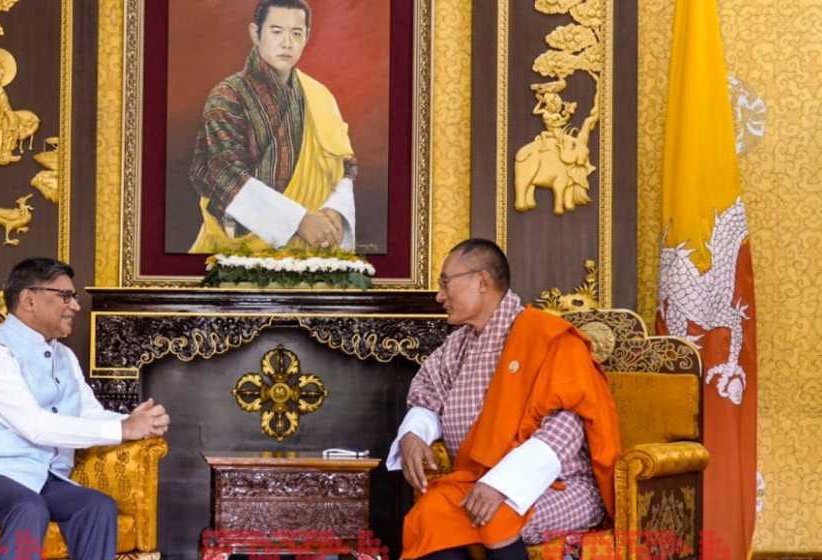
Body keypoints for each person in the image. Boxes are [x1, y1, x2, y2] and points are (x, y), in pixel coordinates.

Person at [387, 239, 620, 560]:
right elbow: (427, 397)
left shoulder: (547, 336)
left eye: (445, 283)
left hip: (556, 486)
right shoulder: (456, 348)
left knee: (494, 516)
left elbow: (565, 430)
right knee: (430, 514)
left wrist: (503, 484)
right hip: (477, 480)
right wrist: (414, 434)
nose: (439, 296)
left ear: (482, 282)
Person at [0, 257, 170, 560]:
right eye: (65, 296)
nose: (76, 306)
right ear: (29, 300)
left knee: (97, 507)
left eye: (74, 297)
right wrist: (122, 429)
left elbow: (89, 414)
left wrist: (135, 422)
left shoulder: (63, 356)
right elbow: (36, 426)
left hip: (40, 478)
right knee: (27, 507)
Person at [188, 0, 358, 253]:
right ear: (255, 34)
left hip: (313, 246)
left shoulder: (319, 96)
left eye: (296, 33)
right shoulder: (227, 96)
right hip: (240, 251)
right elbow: (225, 176)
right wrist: (298, 220)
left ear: (307, 36)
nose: (287, 43)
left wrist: (335, 212)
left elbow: (344, 167)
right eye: (276, 31)